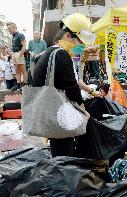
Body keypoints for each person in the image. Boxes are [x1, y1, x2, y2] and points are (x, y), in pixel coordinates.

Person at [33, 13, 91, 157]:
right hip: (59, 111)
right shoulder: (61, 54)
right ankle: (63, 175)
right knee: (64, 149)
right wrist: (83, 109)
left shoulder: (48, 52)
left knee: (57, 147)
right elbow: (71, 86)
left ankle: (59, 170)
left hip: (48, 108)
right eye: (78, 42)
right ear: (67, 37)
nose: (78, 46)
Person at [7, 22, 28, 90]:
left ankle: (25, 85)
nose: (9, 30)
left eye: (9, 28)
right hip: (14, 54)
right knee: (17, 70)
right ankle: (18, 84)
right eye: (8, 29)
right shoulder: (13, 36)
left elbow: (24, 46)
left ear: (14, 28)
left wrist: (20, 55)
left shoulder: (20, 35)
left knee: (23, 70)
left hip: (19, 53)